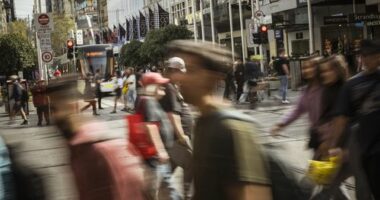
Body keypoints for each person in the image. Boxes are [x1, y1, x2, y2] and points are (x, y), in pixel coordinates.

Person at [167, 40, 272, 200]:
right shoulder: (203, 122)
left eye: (191, 70)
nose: (182, 77)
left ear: (212, 77)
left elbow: (254, 195)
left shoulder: (234, 127)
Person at [46, 75, 146, 200]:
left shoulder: (98, 150)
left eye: (55, 110)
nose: (53, 117)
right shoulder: (79, 148)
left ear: (74, 107)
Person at [326, 40, 380, 199]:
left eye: (375, 56)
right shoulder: (352, 85)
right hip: (366, 148)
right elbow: (341, 118)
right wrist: (334, 144)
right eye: (366, 56)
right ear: (361, 58)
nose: (371, 60)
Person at [309, 55, 350, 200]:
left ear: (338, 71)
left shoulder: (344, 90)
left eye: (329, 71)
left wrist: (330, 146)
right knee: (332, 186)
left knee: (326, 188)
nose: (324, 74)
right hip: (331, 146)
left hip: (342, 148)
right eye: (323, 71)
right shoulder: (327, 90)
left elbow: (341, 122)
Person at [136, 73, 180, 200]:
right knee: (168, 191)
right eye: (160, 86)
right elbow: (150, 126)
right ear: (151, 87)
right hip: (155, 157)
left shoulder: (147, 100)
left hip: (153, 157)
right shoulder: (149, 101)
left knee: (160, 190)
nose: (163, 89)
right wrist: (161, 151)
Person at [271, 57, 323, 154]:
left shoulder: (327, 88)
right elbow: (298, 110)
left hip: (330, 136)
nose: (307, 70)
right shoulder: (306, 90)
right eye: (305, 68)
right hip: (316, 135)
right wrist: (281, 124)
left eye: (311, 67)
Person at [161, 57, 194, 199]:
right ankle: (188, 195)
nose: (183, 75)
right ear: (173, 71)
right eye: (181, 72)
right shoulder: (169, 87)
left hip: (174, 140)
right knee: (192, 164)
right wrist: (182, 136)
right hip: (177, 139)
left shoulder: (172, 86)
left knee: (167, 175)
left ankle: (158, 194)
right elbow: (172, 114)